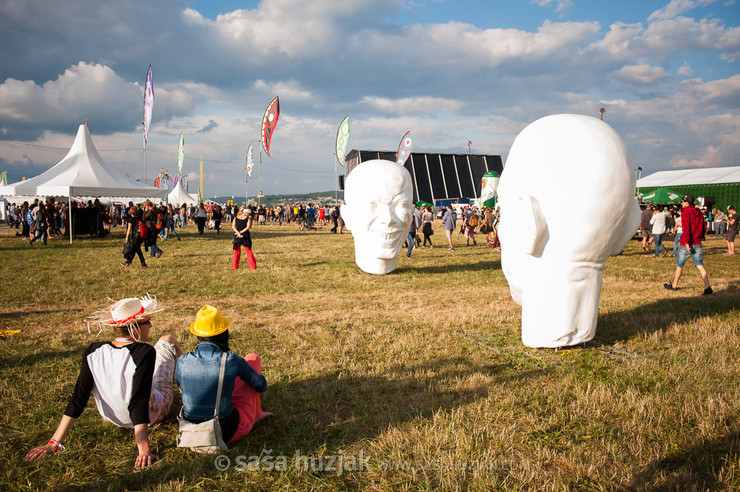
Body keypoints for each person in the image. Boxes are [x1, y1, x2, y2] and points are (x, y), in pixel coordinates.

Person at [24, 296, 181, 469]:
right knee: (167, 340)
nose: (150, 325)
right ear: (134, 327)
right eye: (147, 322)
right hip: (151, 415)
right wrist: (144, 450)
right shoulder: (144, 352)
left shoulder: (93, 351)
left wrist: (54, 443)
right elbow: (139, 400)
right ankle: (185, 392)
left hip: (113, 417)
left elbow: (79, 398)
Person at [176, 305, 272, 446]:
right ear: (224, 332)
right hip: (225, 432)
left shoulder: (182, 361)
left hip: (190, 431)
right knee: (253, 359)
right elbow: (260, 385)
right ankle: (257, 414)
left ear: (197, 336)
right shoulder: (230, 360)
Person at [664, 194, 712, 295]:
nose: (681, 203)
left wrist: (686, 242)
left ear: (686, 203)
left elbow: (686, 228)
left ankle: (674, 285)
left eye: (682, 202)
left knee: (679, 265)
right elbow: (703, 227)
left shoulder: (685, 212)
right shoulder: (698, 212)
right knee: (700, 265)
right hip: (697, 242)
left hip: (687, 242)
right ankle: (707, 287)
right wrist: (700, 237)